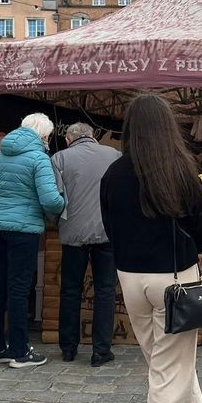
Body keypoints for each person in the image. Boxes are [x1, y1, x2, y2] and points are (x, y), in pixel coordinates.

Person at [100, 94, 202, 403]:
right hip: (176, 278)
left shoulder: (113, 174)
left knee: (169, 370)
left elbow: (109, 229)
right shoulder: (180, 170)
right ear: (167, 127)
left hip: (131, 279)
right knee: (168, 373)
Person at [0, 114, 65, 369]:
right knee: (18, 289)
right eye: (48, 136)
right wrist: (63, 206)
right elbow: (50, 199)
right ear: (42, 135)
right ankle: (19, 351)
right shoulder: (39, 158)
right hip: (24, 229)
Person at [51, 122, 121, 367]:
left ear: (69, 139)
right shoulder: (114, 155)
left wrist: (56, 222)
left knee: (70, 291)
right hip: (107, 232)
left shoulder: (59, 158)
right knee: (105, 291)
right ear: (93, 137)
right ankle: (101, 351)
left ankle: (68, 348)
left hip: (73, 233)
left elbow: (55, 198)